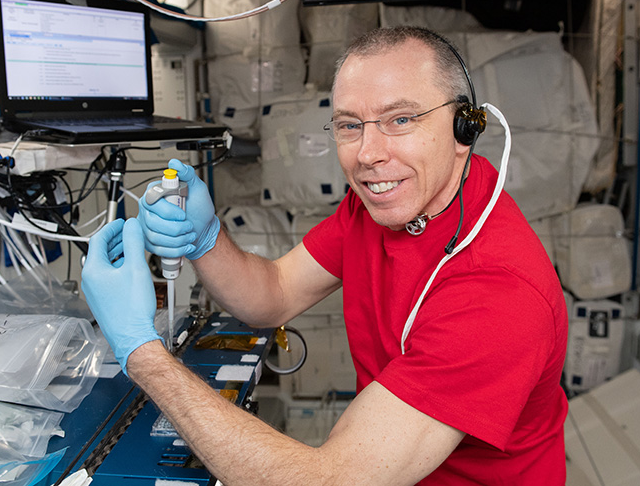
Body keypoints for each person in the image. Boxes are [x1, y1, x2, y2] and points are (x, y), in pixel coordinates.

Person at [81, 26, 568, 485]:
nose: (368, 153)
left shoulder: (497, 291)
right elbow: (273, 295)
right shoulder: (386, 206)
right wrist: (206, 239)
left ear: (465, 127)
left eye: (400, 119)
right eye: (349, 125)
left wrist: (141, 352)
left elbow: (328, 479)